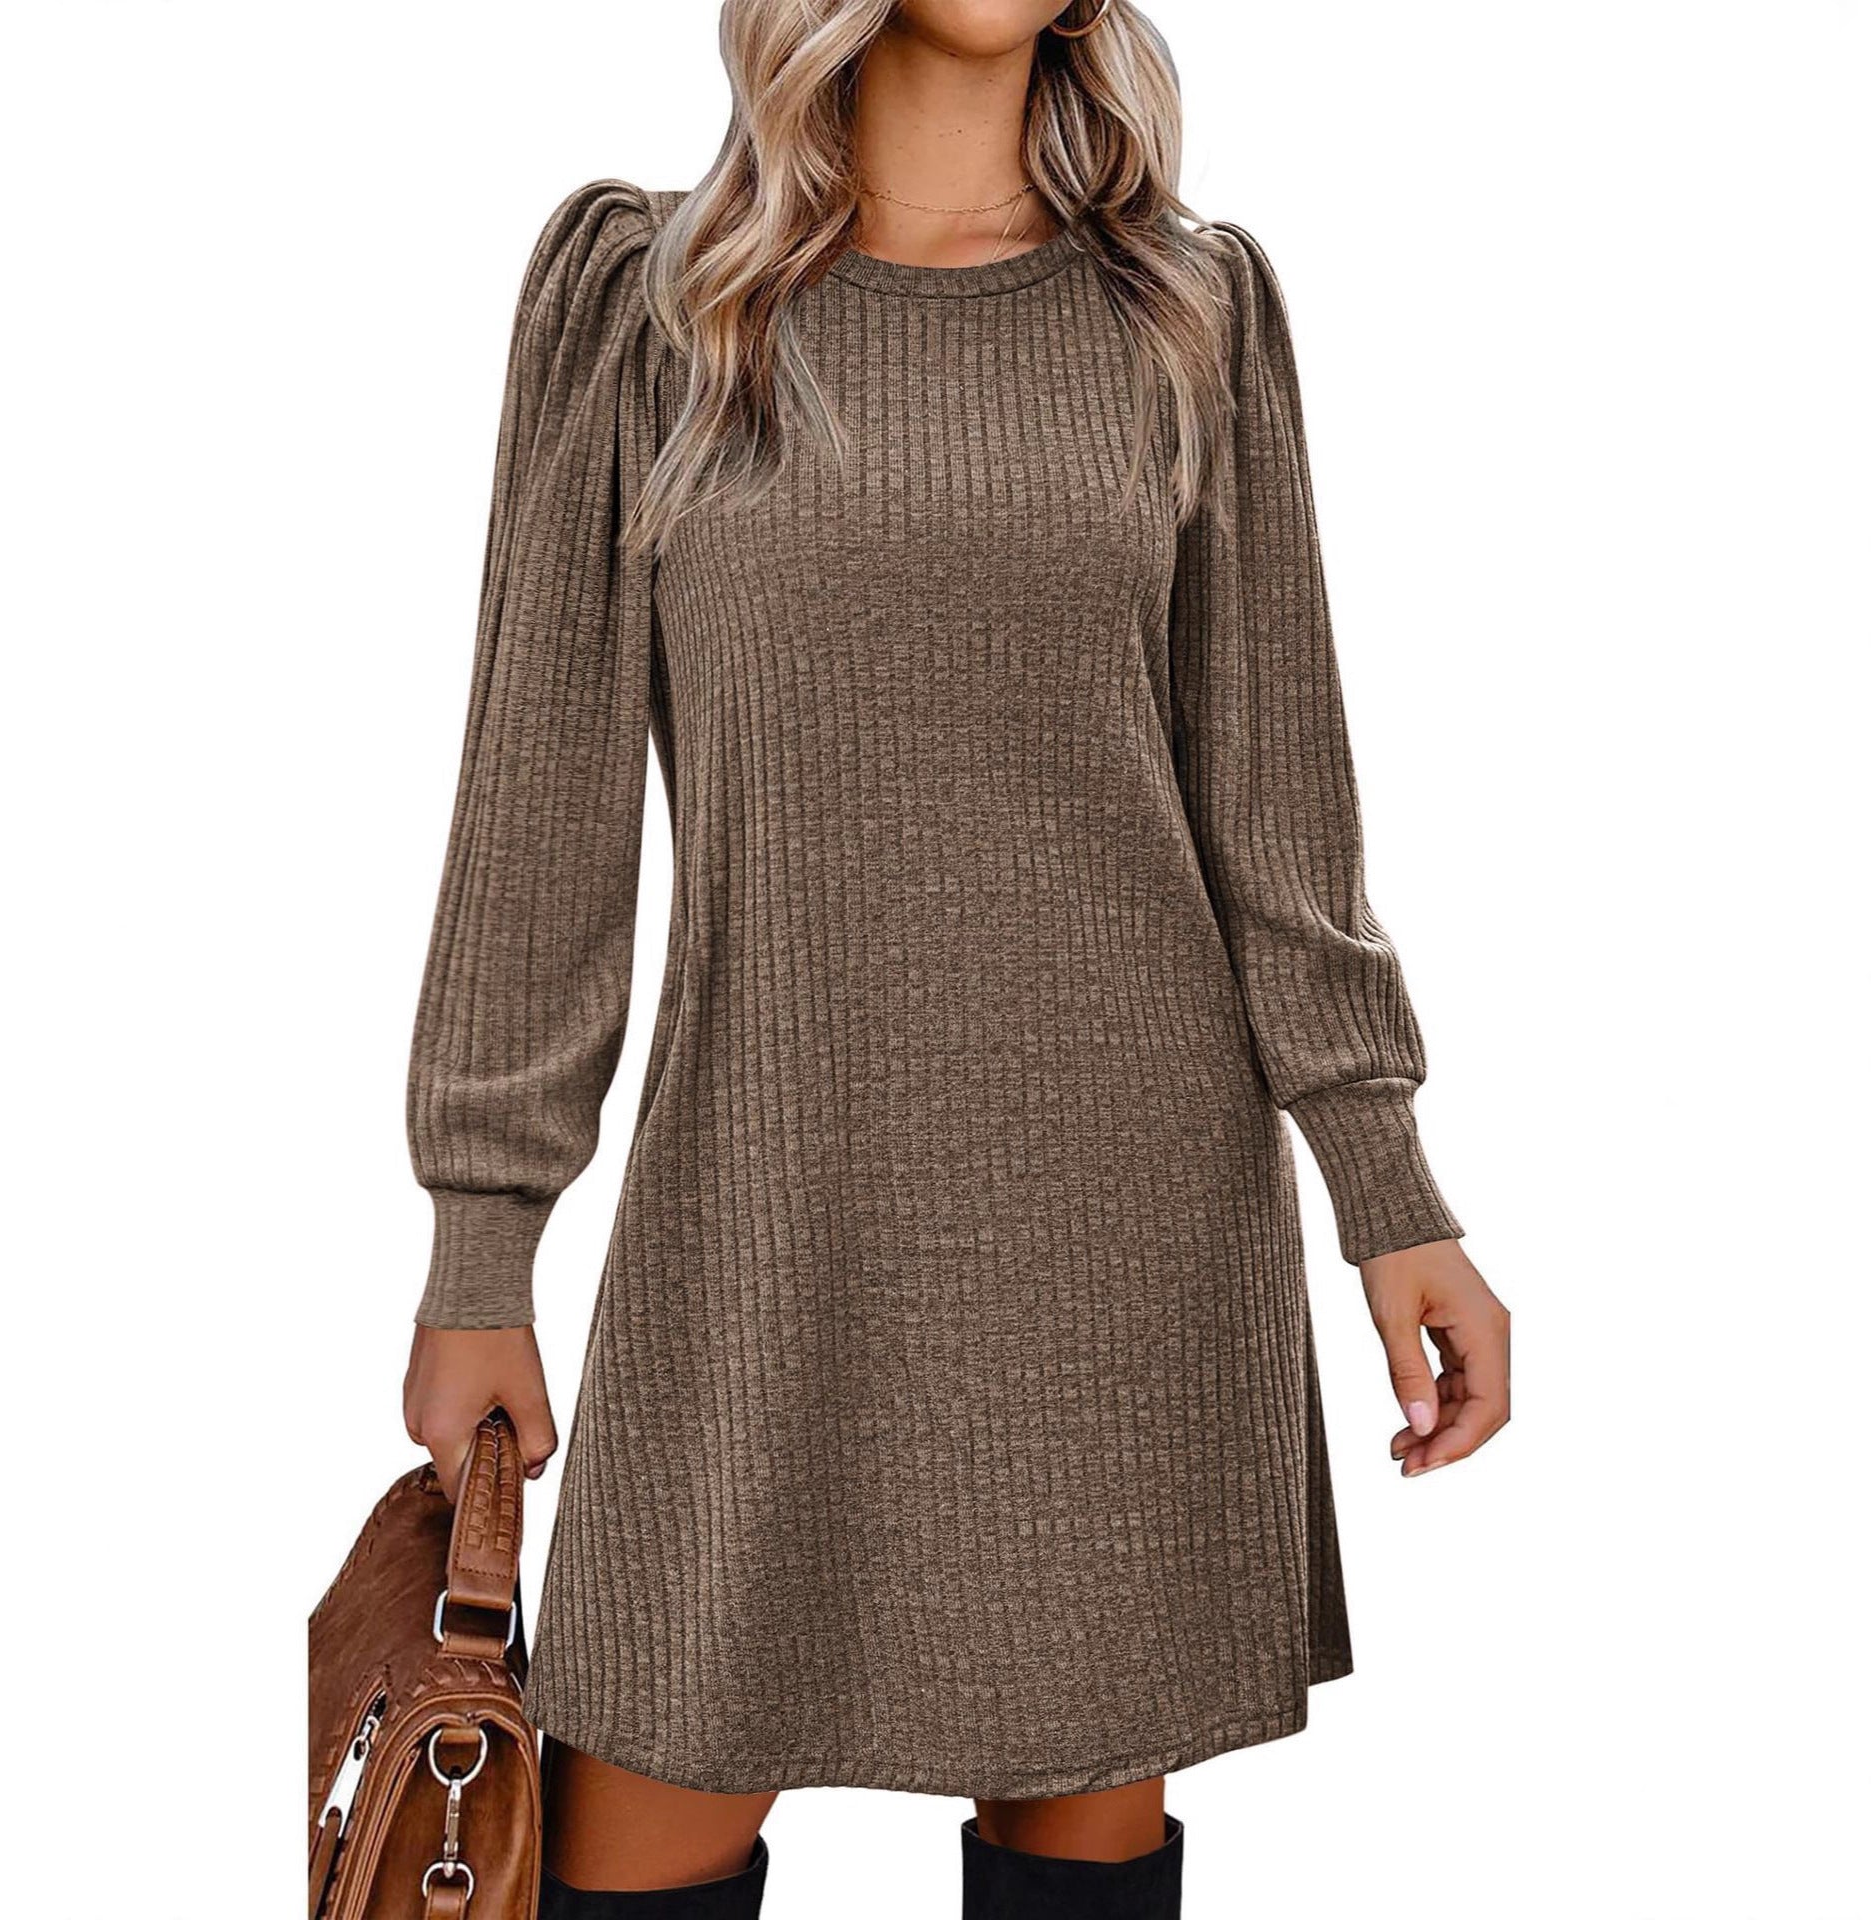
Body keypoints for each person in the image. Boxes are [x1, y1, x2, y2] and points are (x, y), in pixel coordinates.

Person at [400, 2, 1512, 1913]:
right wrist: (481, 1242)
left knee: (1078, 1853)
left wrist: (1390, 1195)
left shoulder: (1188, 314)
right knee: (631, 1828)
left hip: (1120, 1232)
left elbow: (1277, 811)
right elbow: (539, 808)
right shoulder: (650, 302)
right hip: (762, 1208)